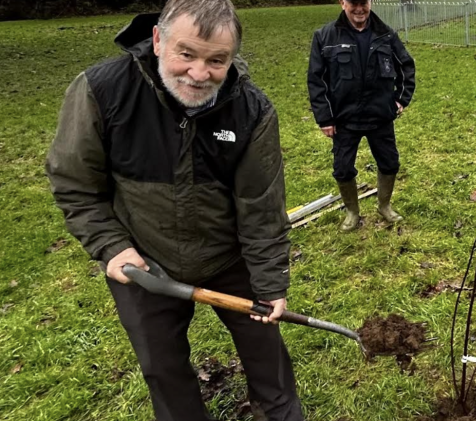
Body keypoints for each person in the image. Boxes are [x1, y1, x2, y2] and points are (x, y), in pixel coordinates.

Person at [45, 0, 303, 419]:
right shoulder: (102, 91)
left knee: (268, 359)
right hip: (143, 263)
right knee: (163, 369)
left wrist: (270, 281)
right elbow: (74, 184)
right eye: (187, 53)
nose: (200, 74)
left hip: (230, 257)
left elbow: (261, 208)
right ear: (158, 39)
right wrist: (111, 247)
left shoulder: (252, 111)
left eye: (217, 60)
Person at [307, 0, 416, 231]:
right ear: (342, 3)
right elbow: (316, 81)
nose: (359, 8)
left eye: (364, 2)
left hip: (380, 116)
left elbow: (406, 67)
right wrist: (325, 118)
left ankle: (384, 206)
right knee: (343, 169)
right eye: (353, 2)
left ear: (371, 3)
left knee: (389, 163)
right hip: (344, 119)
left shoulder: (386, 34)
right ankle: (352, 212)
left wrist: (400, 99)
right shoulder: (325, 37)